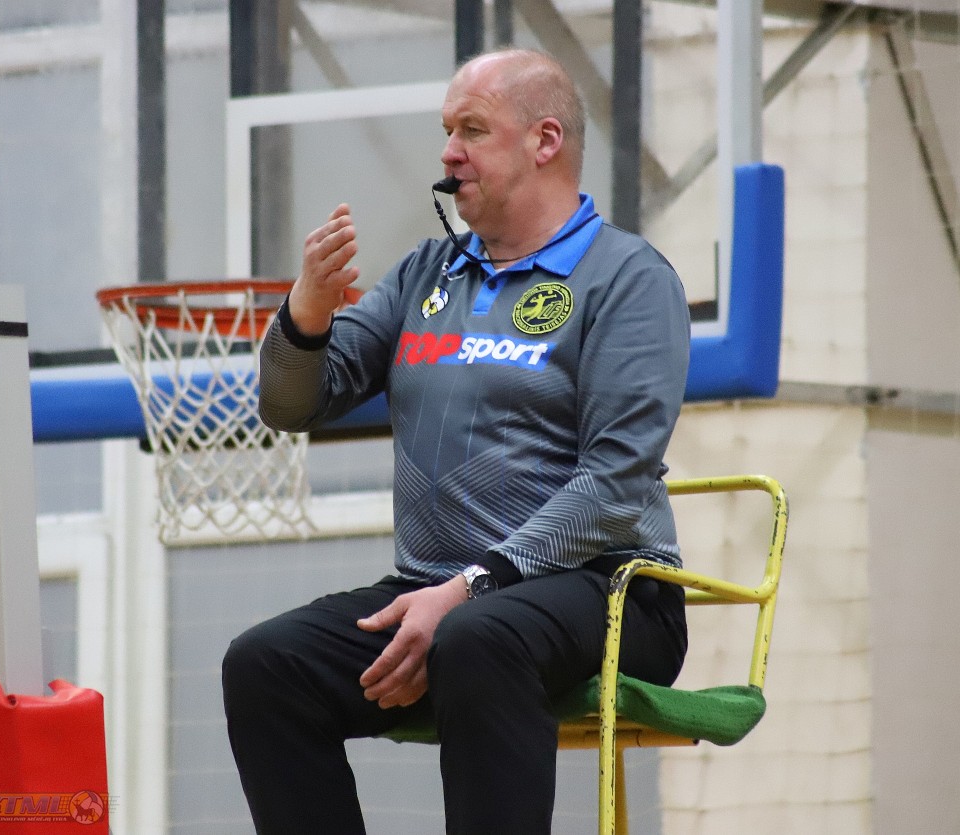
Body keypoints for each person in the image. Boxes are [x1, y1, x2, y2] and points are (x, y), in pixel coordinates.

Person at [223, 47, 691, 834]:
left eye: (471, 129)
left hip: (610, 592)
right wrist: (306, 311)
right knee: (266, 664)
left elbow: (615, 482)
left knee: (477, 636)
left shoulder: (629, 277)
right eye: (446, 131)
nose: (447, 151)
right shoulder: (427, 274)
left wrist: (472, 586)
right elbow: (290, 404)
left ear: (544, 141)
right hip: (440, 595)